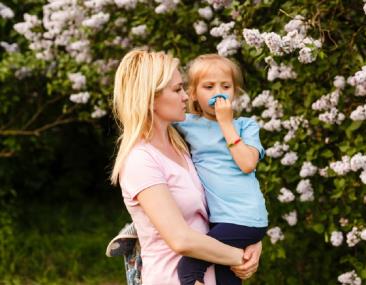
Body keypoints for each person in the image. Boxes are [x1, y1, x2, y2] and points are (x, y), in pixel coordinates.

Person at [110, 49, 262, 285]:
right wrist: (239, 255)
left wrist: (249, 236)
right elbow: (181, 239)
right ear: (150, 98)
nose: (185, 97)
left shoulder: (181, 145)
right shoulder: (141, 160)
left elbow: (221, 200)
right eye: (177, 89)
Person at [175, 54, 268, 285]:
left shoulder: (246, 126)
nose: (219, 92)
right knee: (227, 278)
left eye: (226, 86)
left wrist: (226, 124)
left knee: (188, 269)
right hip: (219, 219)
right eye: (209, 86)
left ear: (234, 91)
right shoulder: (186, 123)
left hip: (244, 218)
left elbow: (247, 164)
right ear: (193, 93)